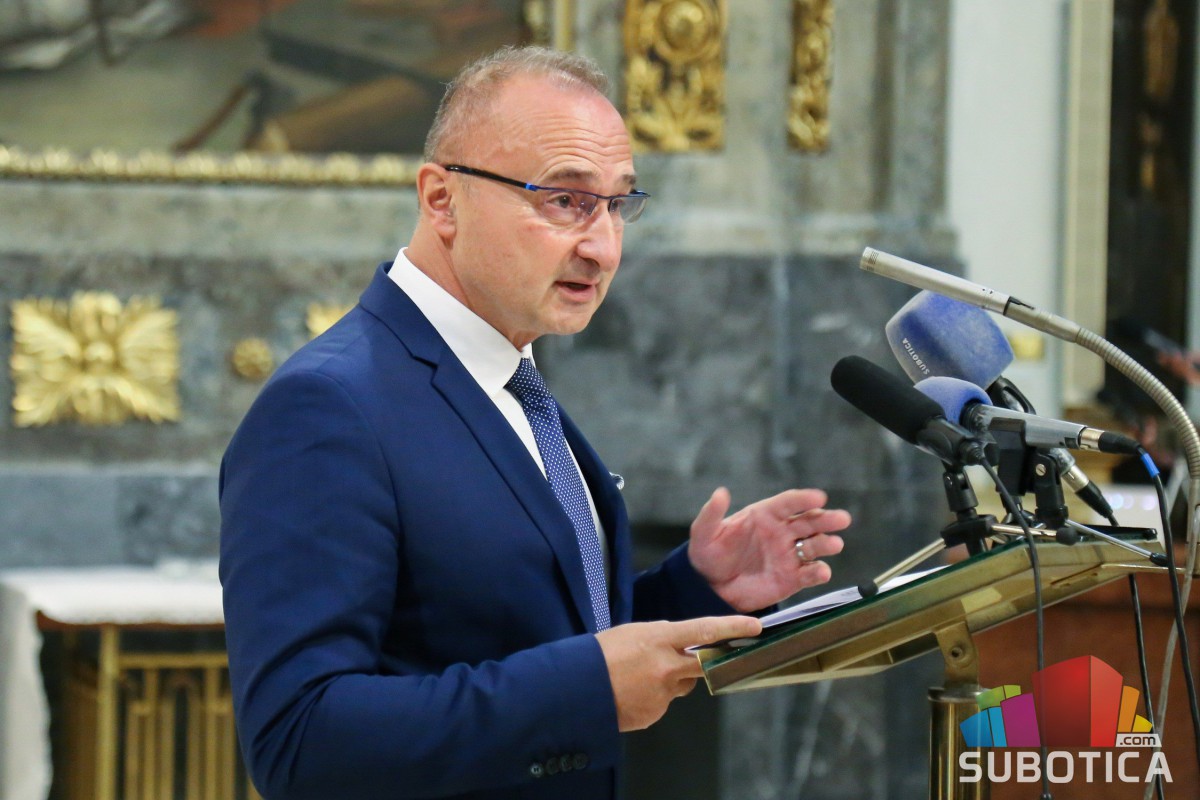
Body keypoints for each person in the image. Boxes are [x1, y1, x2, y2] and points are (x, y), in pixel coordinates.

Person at [219, 45, 851, 800]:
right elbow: (299, 742)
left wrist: (693, 590)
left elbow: (521, 629)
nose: (602, 246)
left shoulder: (509, 375)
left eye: (618, 203)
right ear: (442, 199)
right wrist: (587, 690)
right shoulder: (327, 406)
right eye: (565, 200)